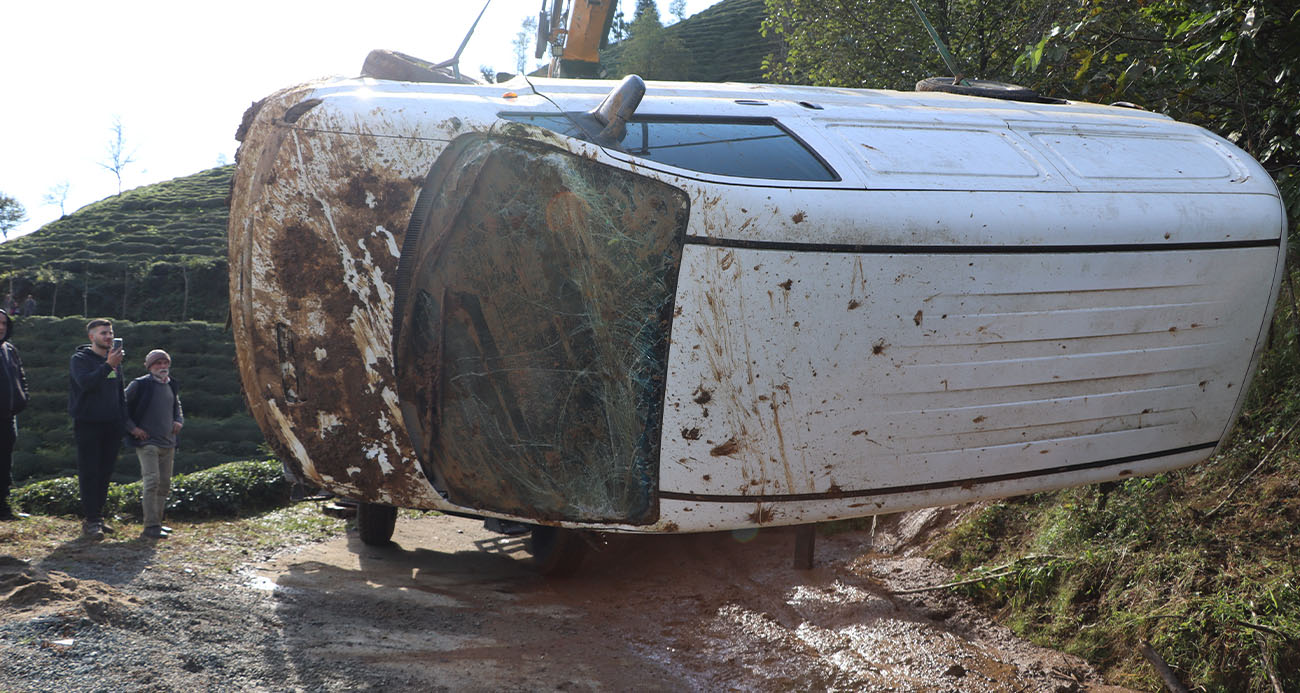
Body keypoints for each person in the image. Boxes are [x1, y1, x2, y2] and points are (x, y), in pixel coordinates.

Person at [68, 318, 126, 540]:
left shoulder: (114, 361)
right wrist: (108, 365)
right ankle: (90, 520)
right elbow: (87, 384)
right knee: (90, 471)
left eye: (111, 333)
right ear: (92, 337)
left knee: (105, 472)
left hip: (112, 425)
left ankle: (98, 517)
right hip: (88, 424)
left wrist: (124, 421)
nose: (109, 337)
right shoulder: (80, 359)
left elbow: (119, 393)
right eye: (104, 333)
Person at [125, 349, 183, 539]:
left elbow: (177, 406)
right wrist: (133, 429)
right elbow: (120, 407)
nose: (163, 367)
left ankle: (157, 522)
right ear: (150, 367)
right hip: (147, 442)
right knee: (152, 482)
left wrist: (179, 420)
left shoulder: (171, 383)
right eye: (158, 364)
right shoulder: (139, 385)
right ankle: (150, 526)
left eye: (165, 363)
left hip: (168, 442)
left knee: (164, 484)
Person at [0, 309, 30, 521]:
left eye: (3, 323)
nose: (1, 327)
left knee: (4, 462)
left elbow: (21, 376)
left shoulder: (10, 349)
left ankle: (3, 508)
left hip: (8, 416)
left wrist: (23, 398)